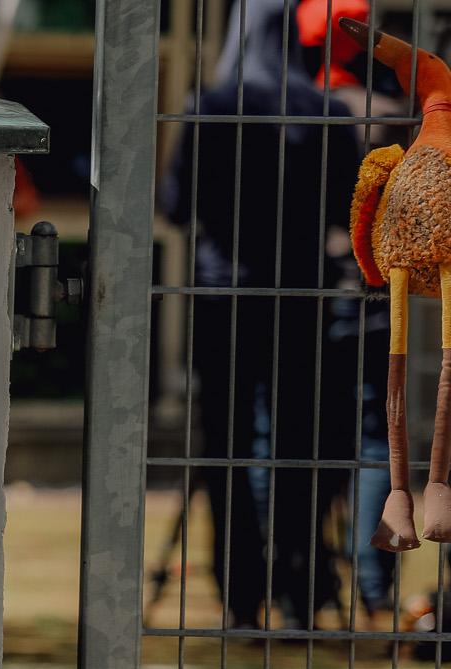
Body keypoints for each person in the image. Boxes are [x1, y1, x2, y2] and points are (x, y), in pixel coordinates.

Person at [161, 0, 363, 628]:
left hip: (223, 294)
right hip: (301, 298)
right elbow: (347, 211)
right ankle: (301, 593)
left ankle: (240, 597)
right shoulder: (325, 108)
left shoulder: (210, 104)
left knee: (225, 445)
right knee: (298, 444)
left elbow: (174, 205)